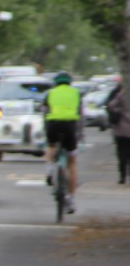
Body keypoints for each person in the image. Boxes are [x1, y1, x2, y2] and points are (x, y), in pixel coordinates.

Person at [42, 71, 83, 212]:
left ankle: (49, 169)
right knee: (72, 161)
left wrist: (45, 129)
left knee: (51, 145)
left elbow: (44, 112)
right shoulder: (76, 93)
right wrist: (80, 134)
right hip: (70, 125)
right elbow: (81, 115)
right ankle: (71, 199)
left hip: (53, 124)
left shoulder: (50, 93)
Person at [107, 82, 130, 184]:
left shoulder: (120, 98)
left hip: (120, 132)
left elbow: (110, 105)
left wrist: (119, 96)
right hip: (124, 131)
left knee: (121, 154)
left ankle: (122, 176)